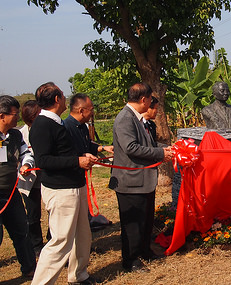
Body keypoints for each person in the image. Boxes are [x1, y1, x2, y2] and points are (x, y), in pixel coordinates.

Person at [29, 82, 97, 285]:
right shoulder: (42, 125)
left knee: (82, 235)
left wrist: (81, 155)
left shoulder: (56, 122)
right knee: (60, 241)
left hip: (74, 186)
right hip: (61, 190)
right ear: (57, 99)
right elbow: (44, 161)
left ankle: (78, 275)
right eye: (63, 95)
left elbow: (63, 153)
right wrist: (77, 161)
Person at [108, 83, 173, 272]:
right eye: (151, 99)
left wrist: (165, 149)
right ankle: (131, 260)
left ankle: (145, 251)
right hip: (130, 181)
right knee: (132, 224)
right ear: (144, 100)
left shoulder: (137, 119)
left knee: (145, 220)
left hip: (143, 180)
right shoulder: (125, 119)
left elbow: (149, 144)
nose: (152, 102)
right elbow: (131, 148)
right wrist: (160, 155)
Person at [63, 93, 114, 232]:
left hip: (81, 179)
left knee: (82, 214)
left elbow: (87, 145)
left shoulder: (83, 127)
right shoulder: (65, 128)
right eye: (91, 109)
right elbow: (68, 154)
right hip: (69, 181)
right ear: (81, 110)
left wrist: (102, 148)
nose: (93, 113)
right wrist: (82, 156)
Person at [0, 95, 36, 278]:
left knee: (21, 230)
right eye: (15, 114)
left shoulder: (15, 135)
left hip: (12, 192)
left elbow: (26, 153)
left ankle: (30, 268)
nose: (18, 118)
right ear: (2, 116)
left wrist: (26, 165)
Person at [17, 100, 43, 254]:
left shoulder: (46, 130)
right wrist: (24, 167)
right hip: (29, 180)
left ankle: (51, 237)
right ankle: (36, 244)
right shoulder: (21, 134)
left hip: (45, 177)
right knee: (33, 214)